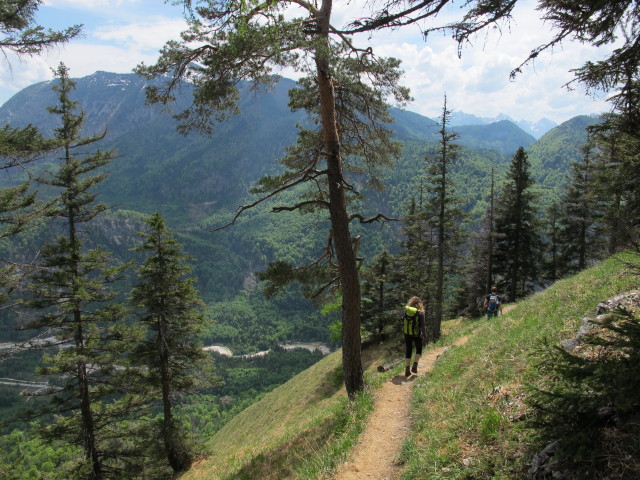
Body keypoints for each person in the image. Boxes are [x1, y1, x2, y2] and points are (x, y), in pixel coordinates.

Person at [402, 296, 427, 377]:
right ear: (420, 304)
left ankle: (407, 370)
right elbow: (423, 326)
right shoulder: (421, 313)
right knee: (419, 349)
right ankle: (415, 365)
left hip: (407, 333)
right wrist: (424, 335)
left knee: (408, 350)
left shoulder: (406, 310)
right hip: (417, 334)